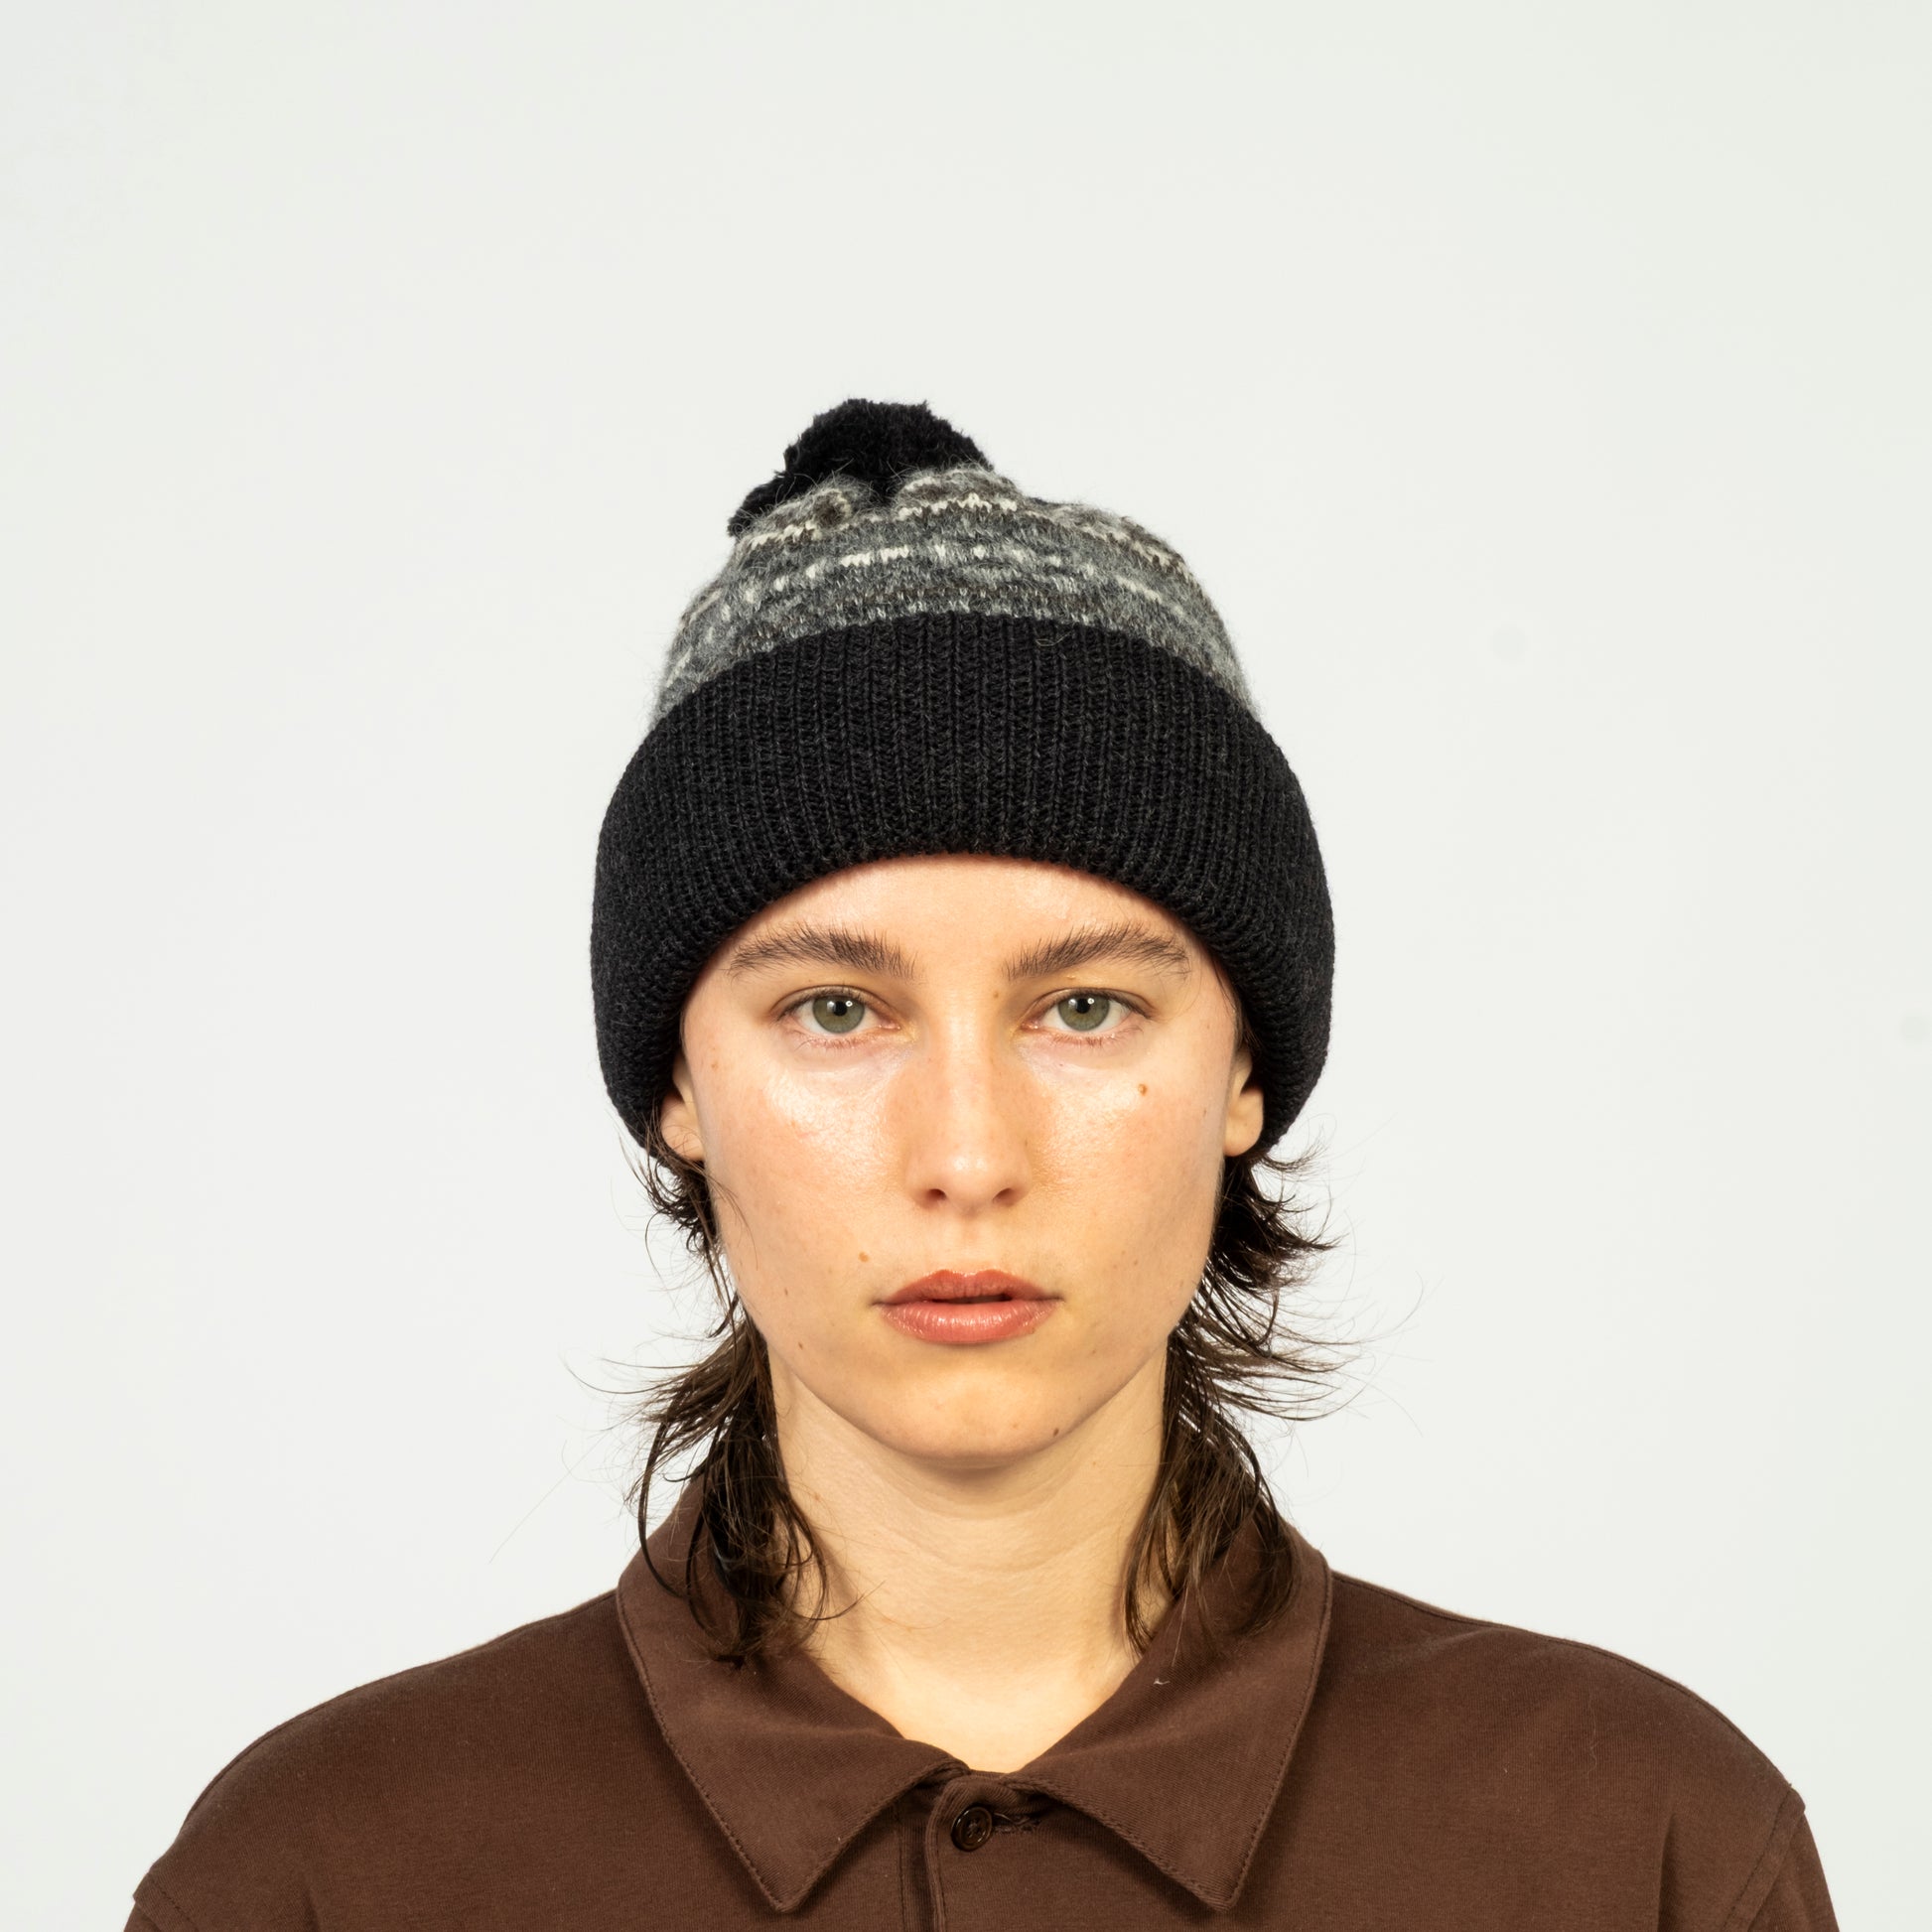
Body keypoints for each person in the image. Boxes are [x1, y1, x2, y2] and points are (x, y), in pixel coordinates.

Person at [123, 399, 1838, 1930]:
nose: (965, 1153)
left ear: (1243, 1071)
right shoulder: (322, 1873)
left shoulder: (1640, 1844)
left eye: (1083, 1007)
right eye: (834, 1010)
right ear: (677, 1086)